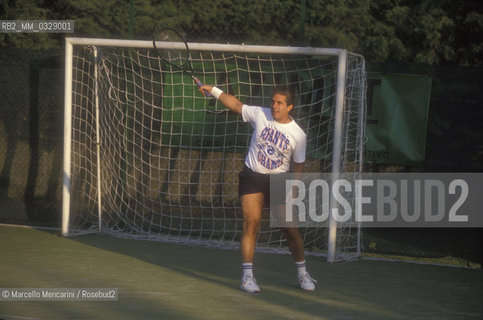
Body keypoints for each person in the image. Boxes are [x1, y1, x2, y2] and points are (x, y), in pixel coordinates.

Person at [199, 84, 317, 293]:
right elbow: (235, 104)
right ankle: (247, 277)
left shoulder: (298, 134)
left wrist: (295, 186)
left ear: (289, 106)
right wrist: (214, 90)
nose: (274, 106)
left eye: (279, 103)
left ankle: (302, 273)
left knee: (290, 230)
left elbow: (299, 164)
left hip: (278, 181)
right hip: (252, 177)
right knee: (251, 223)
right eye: (273, 101)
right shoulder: (260, 114)